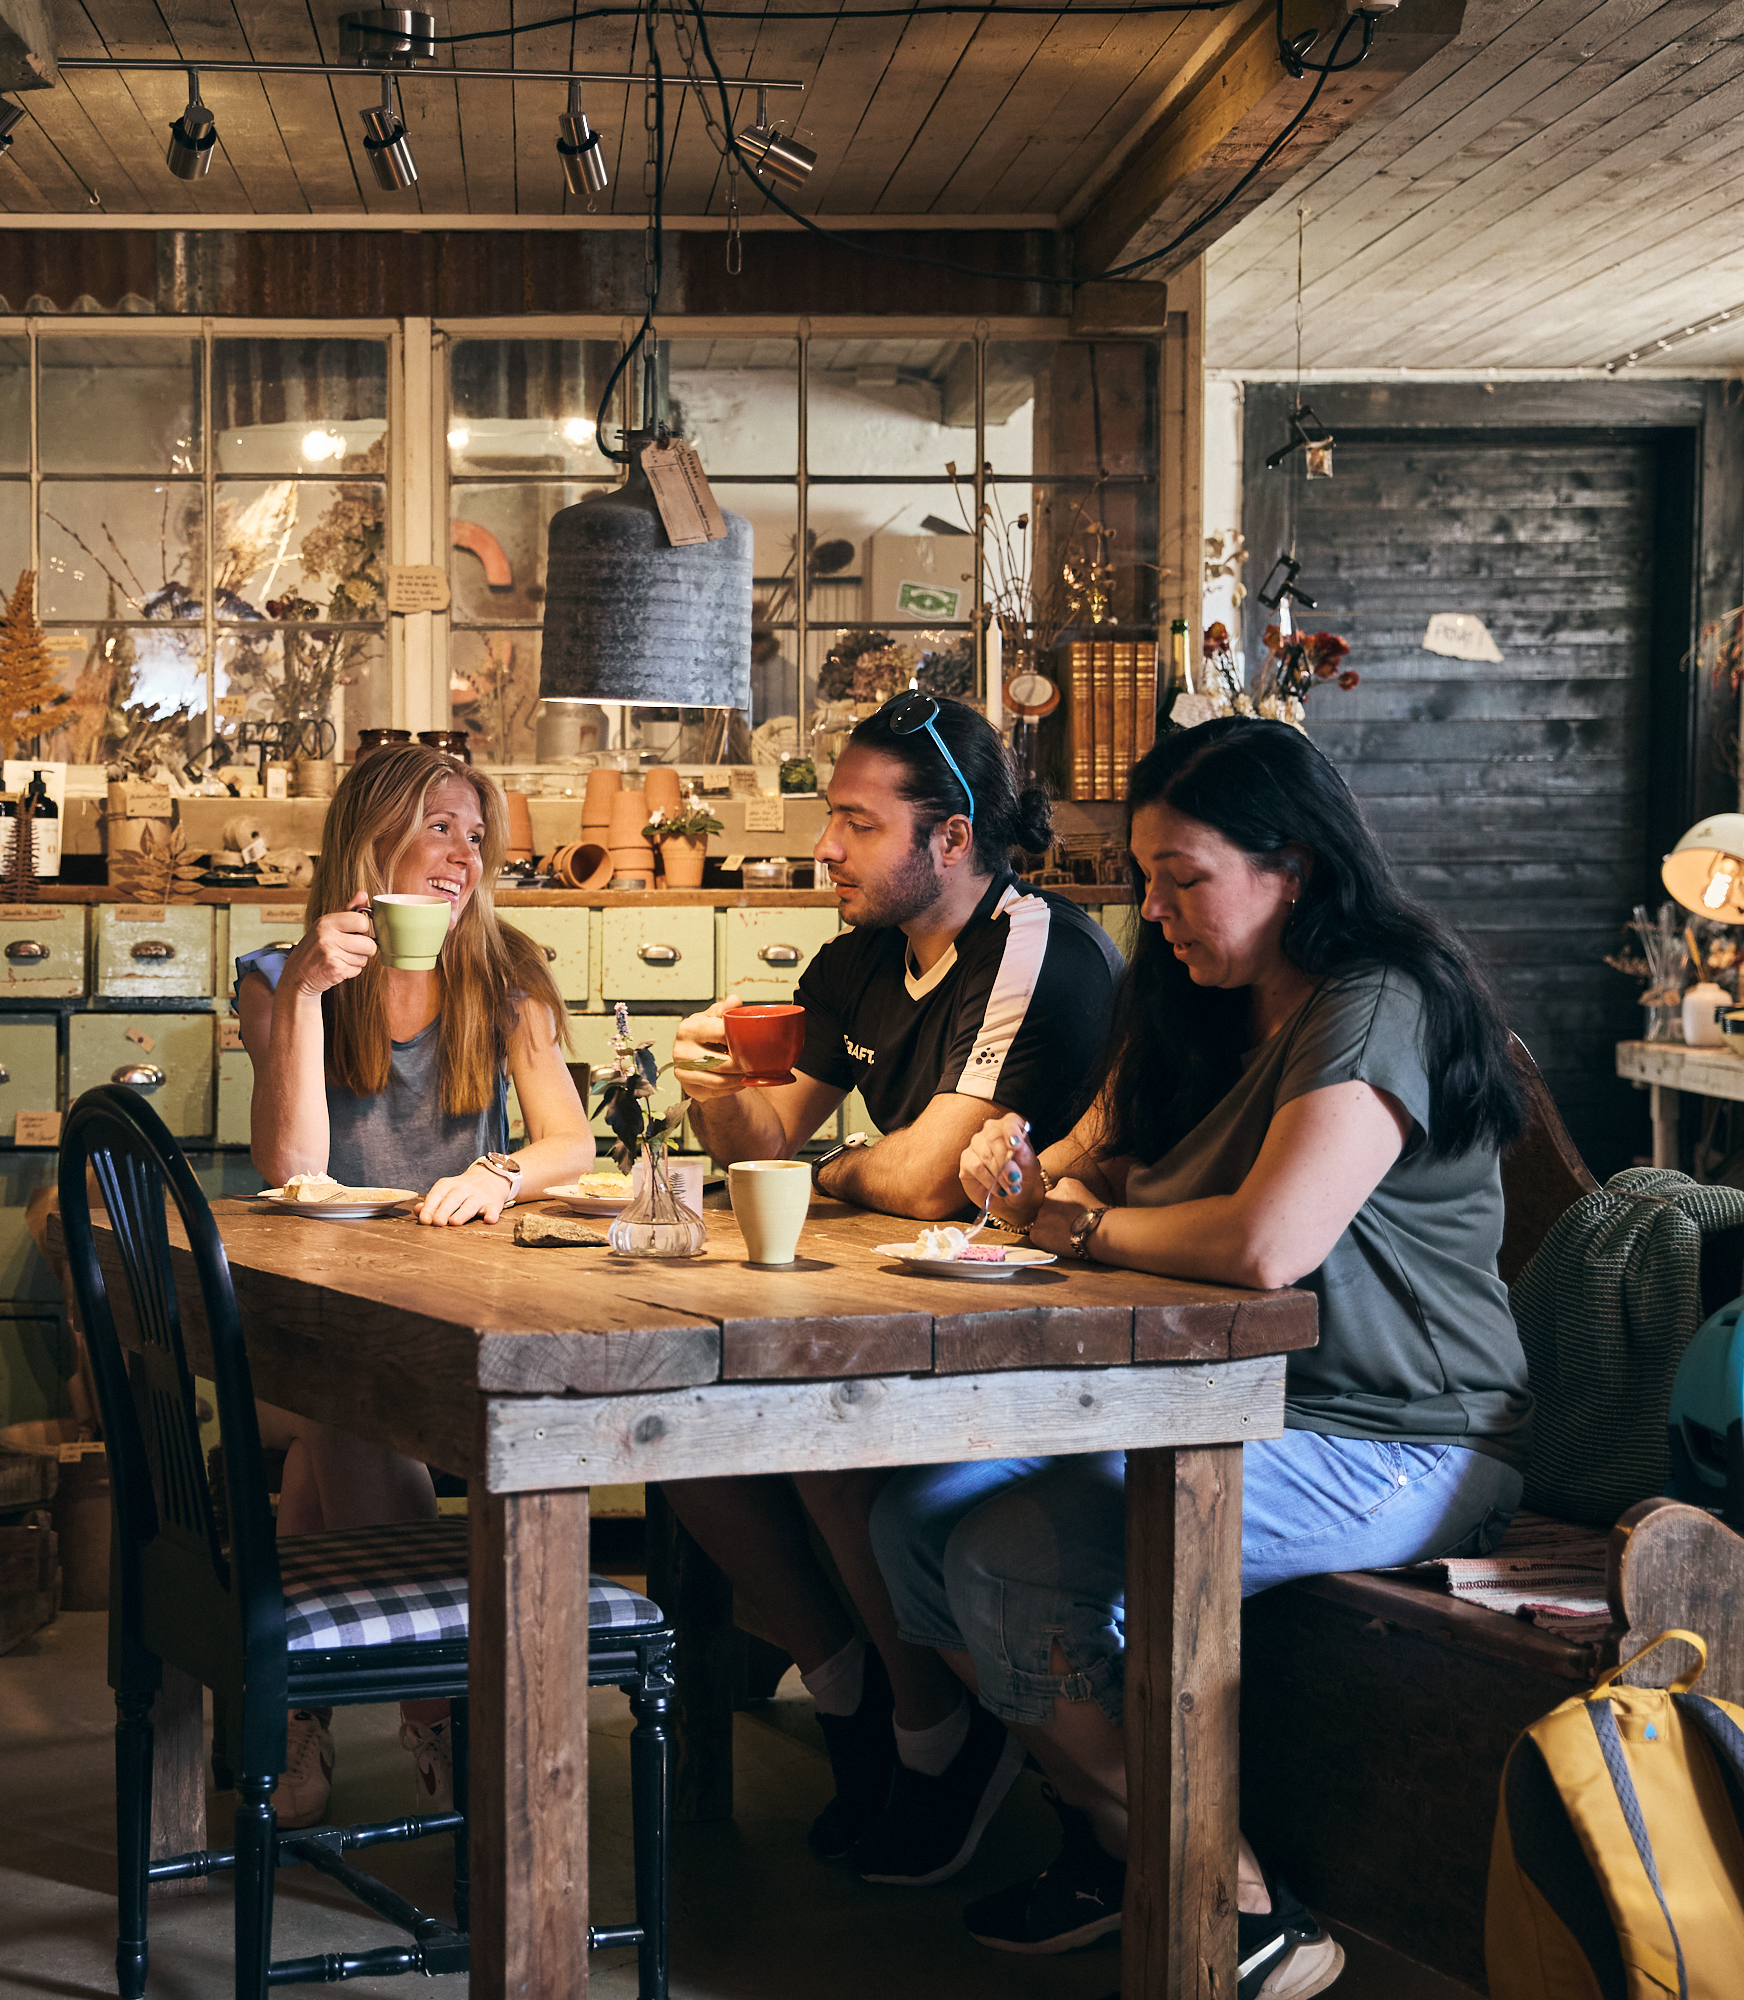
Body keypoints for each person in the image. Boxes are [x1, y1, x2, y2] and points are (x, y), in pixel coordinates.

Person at [879, 715, 1532, 1997]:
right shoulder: (1208, 996)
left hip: (1398, 1434)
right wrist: (1013, 1167)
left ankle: (1234, 1906)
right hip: (1223, 1410)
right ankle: (1127, 1841)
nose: (1158, 908)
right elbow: (1073, 1164)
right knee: (915, 1519)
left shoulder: (1376, 1000)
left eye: (1187, 877)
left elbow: (1266, 1242)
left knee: (1007, 1556)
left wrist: (1091, 1220)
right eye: (1146, 879)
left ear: (1294, 864)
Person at [663, 692, 1123, 1886]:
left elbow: (924, 1182)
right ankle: (848, 1683)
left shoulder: (1037, 949)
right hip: (921, 1308)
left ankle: (935, 1731)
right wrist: (713, 1085)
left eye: (858, 824)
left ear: (953, 839)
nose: (826, 848)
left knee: (824, 1436)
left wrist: (825, 1168)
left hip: (1060, 1344)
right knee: (682, 1441)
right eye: (833, 818)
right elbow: (772, 1131)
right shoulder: (860, 954)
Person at [235, 743, 599, 1828]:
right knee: (347, 1417)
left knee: (328, 1451)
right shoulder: (274, 977)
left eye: (475, 834)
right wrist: (306, 987)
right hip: (303, 1326)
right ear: (372, 838)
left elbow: (569, 1142)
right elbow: (290, 1164)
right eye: (440, 826)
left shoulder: (506, 971)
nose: (464, 855)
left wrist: (496, 1171)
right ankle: (438, 1712)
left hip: (444, 1314)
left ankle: (297, 1704)